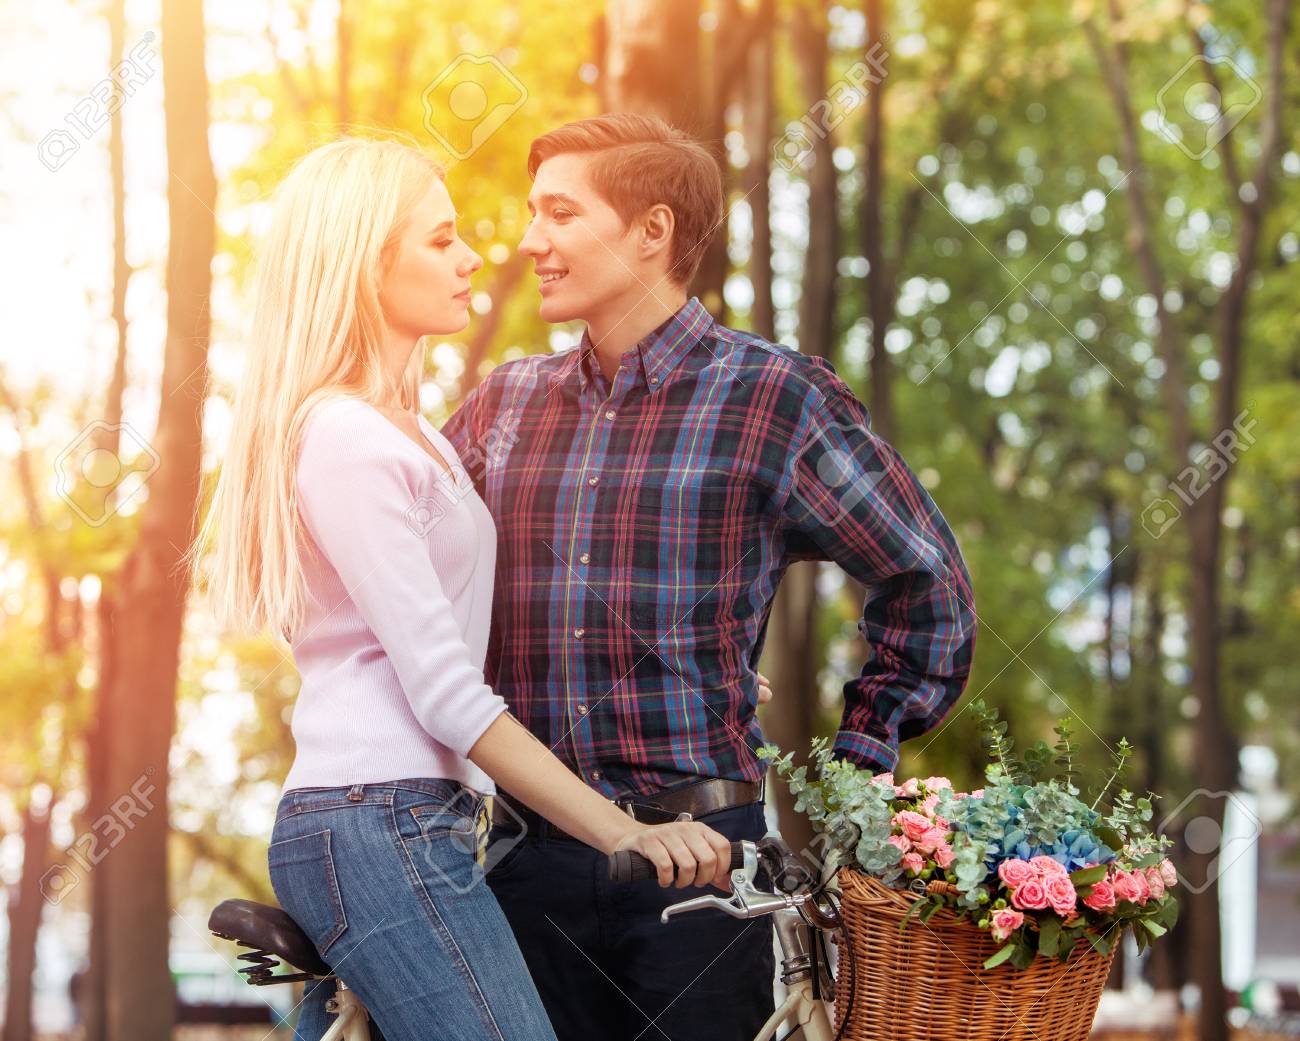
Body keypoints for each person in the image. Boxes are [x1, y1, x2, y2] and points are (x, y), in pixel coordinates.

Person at [441, 113, 978, 1041]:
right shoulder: (503, 404)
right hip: (525, 870)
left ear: (652, 230)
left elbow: (927, 582)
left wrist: (856, 769)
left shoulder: (774, 398)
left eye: (560, 213)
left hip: (704, 880)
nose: (530, 241)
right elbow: (412, 587)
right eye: (534, 214)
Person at [195, 136, 741, 1041]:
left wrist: (691, 656)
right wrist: (625, 831)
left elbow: (473, 611)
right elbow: (447, 691)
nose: (474, 257)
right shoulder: (345, 440)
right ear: (367, 262)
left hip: (418, 819)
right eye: (440, 239)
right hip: (376, 822)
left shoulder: (417, 436)